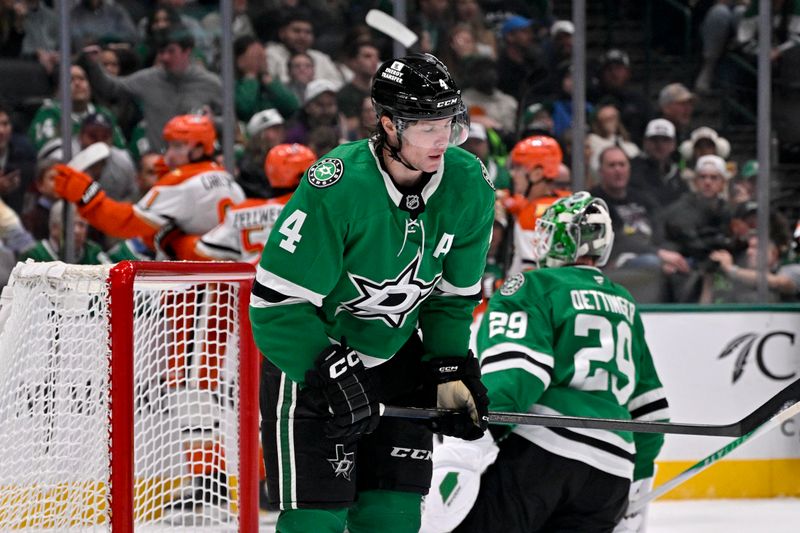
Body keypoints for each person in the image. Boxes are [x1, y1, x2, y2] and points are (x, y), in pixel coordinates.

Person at [249, 52, 494, 533]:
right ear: (388, 124)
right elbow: (275, 308)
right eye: (427, 126)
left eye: (448, 120)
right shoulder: (339, 185)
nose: (442, 137)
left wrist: (449, 366)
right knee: (316, 521)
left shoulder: (469, 185)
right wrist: (330, 374)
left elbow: (450, 297)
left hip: (397, 354)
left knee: (393, 518)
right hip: (313, 359)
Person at [423, 191, 669, 533]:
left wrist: (472, 439)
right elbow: (650, 412)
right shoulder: (622, 301)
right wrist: (640, 476)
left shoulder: (533, 285)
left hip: (545, 453)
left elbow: (516, 373)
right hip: (611, 472)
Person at [50, 114, 245, 258]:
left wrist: (85, 193)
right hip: (228, 288)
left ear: (200, 149)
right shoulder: (229, 181)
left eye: (177, 146)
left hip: (191, 292)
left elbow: (123, 224)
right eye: (169, 146)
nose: (168, 156)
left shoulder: (182, 183)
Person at [178, 143, 316, 263]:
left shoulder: (241, 210)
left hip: (249, 289)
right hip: (299, 289)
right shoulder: (316, 211)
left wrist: (177, 239)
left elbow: (202, 251)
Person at [501, 135, 570, 276]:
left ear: (537, 174)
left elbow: (531, 276)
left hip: (536, 291)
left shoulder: (530, 216)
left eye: (519, 168)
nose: (513, 174)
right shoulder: (567, 199)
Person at [19, 200, 109, 264]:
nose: (77, 231)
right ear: (54, 227)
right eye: (71, 225)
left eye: (81, 225)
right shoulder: (33, 255)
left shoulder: (94, 253)